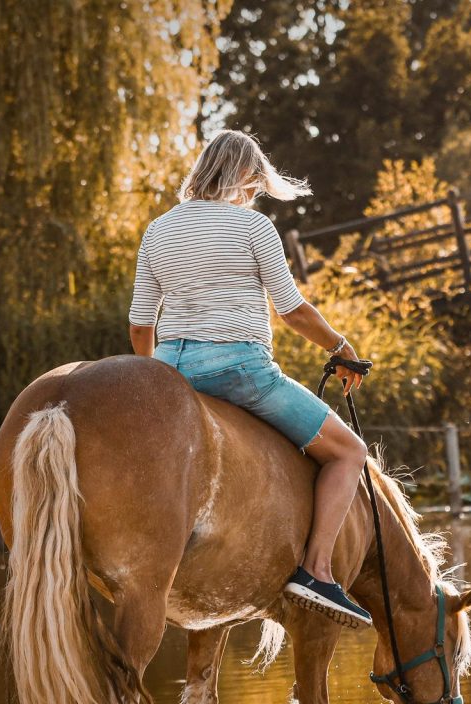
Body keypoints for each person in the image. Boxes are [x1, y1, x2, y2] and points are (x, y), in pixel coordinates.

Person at [127, 130, 372, 629]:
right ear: (244, 176)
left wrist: (159, 380)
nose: (254, 195)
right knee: (349, 453)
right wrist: (341, 349)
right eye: (255, 185)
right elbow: (293, 311)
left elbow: (139, 323)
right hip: (241, 371)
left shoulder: (158, 230)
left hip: (174, 375)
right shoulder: (253, 228)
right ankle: (317, 571)